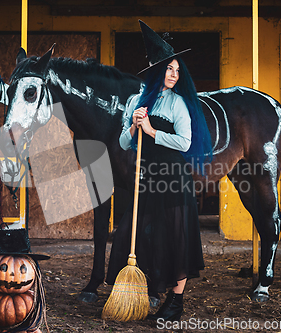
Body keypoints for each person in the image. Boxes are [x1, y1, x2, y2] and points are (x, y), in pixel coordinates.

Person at [106, 20, 212, 321]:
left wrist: (151, 130)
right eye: (169, 69)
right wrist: (133, 125)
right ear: (157, 70)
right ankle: (137, 292)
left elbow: (185, 142)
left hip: (174, 180)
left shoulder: (179, 104)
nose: (175, 75)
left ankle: (176, 302)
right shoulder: (139, 101)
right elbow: (125, 144)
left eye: (178, 70)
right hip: (148, 180)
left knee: (177, 238)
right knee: (134, 234)